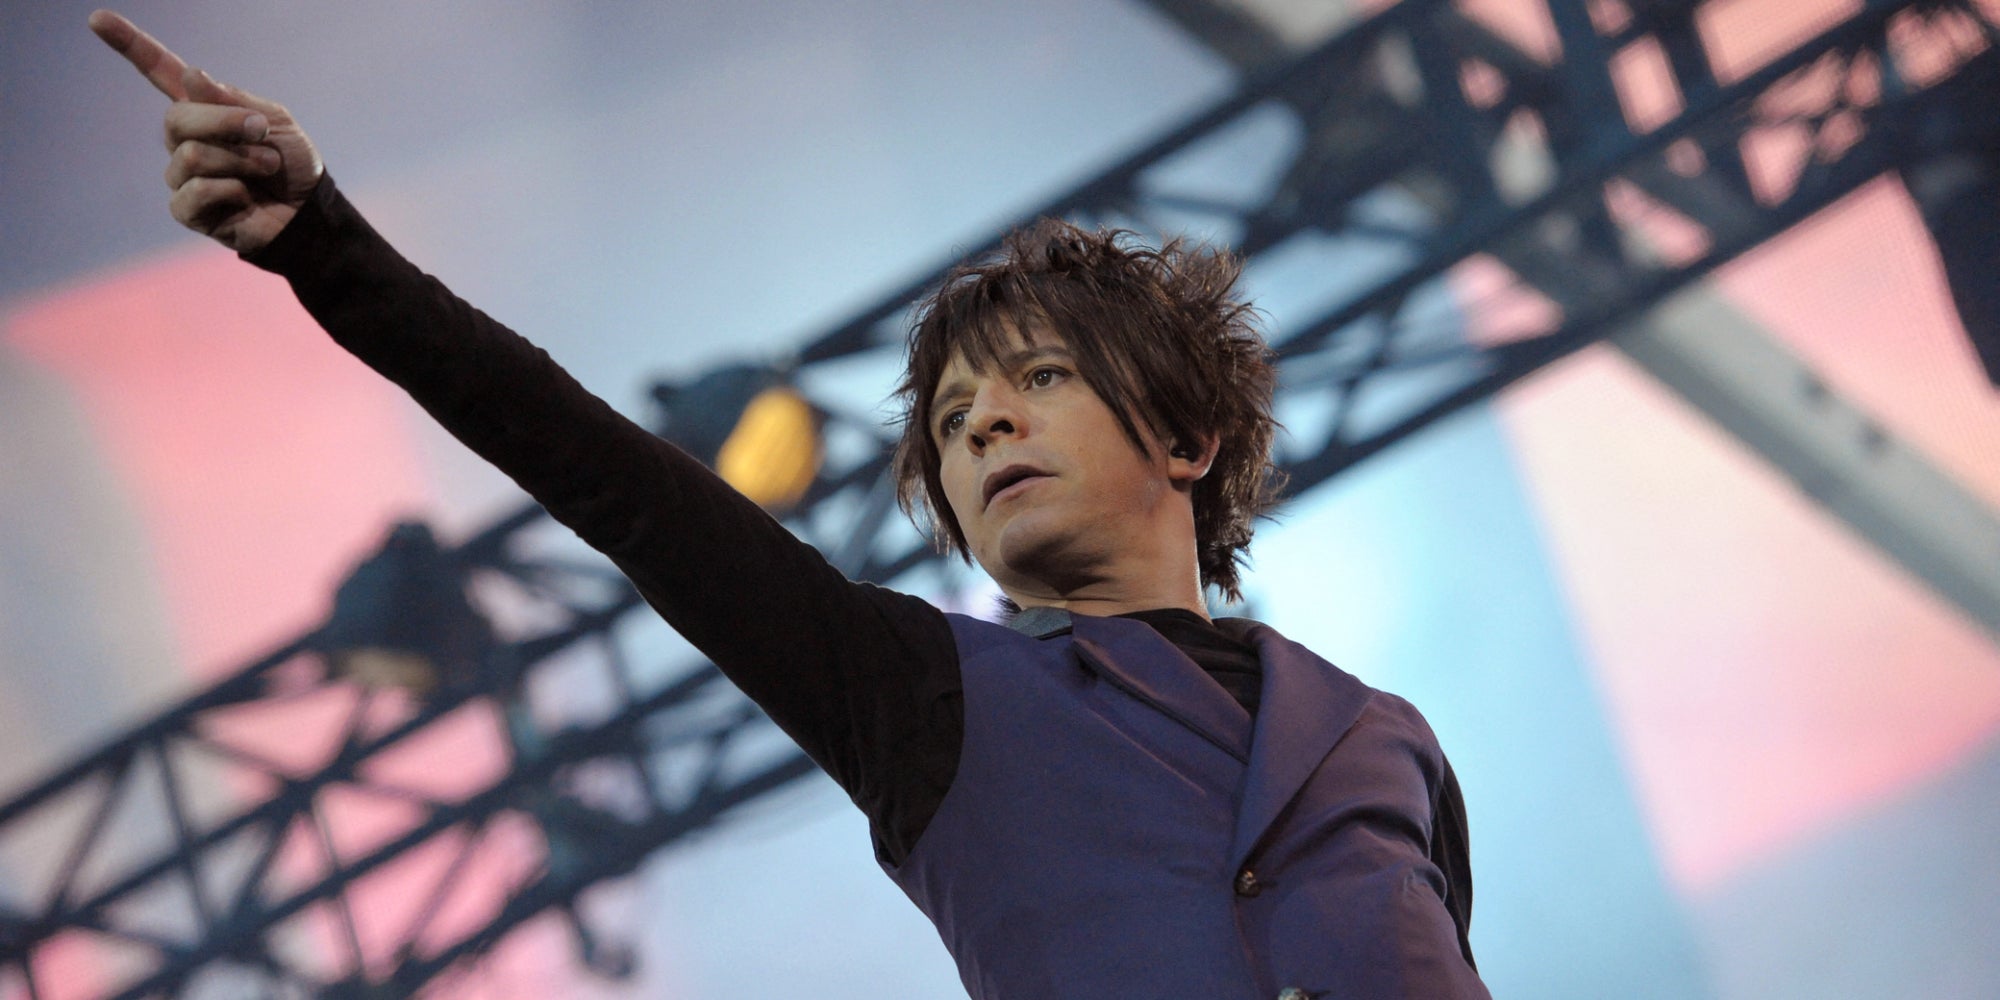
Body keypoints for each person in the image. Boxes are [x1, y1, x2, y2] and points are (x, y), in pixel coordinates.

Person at [90, 10, 1490, 998]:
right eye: (950, 421)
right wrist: (326, 246)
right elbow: (603, 475)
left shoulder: (1389, 746)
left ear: (1185, 436)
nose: (985, 420)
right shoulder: (926, 696)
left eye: (1039, 377)